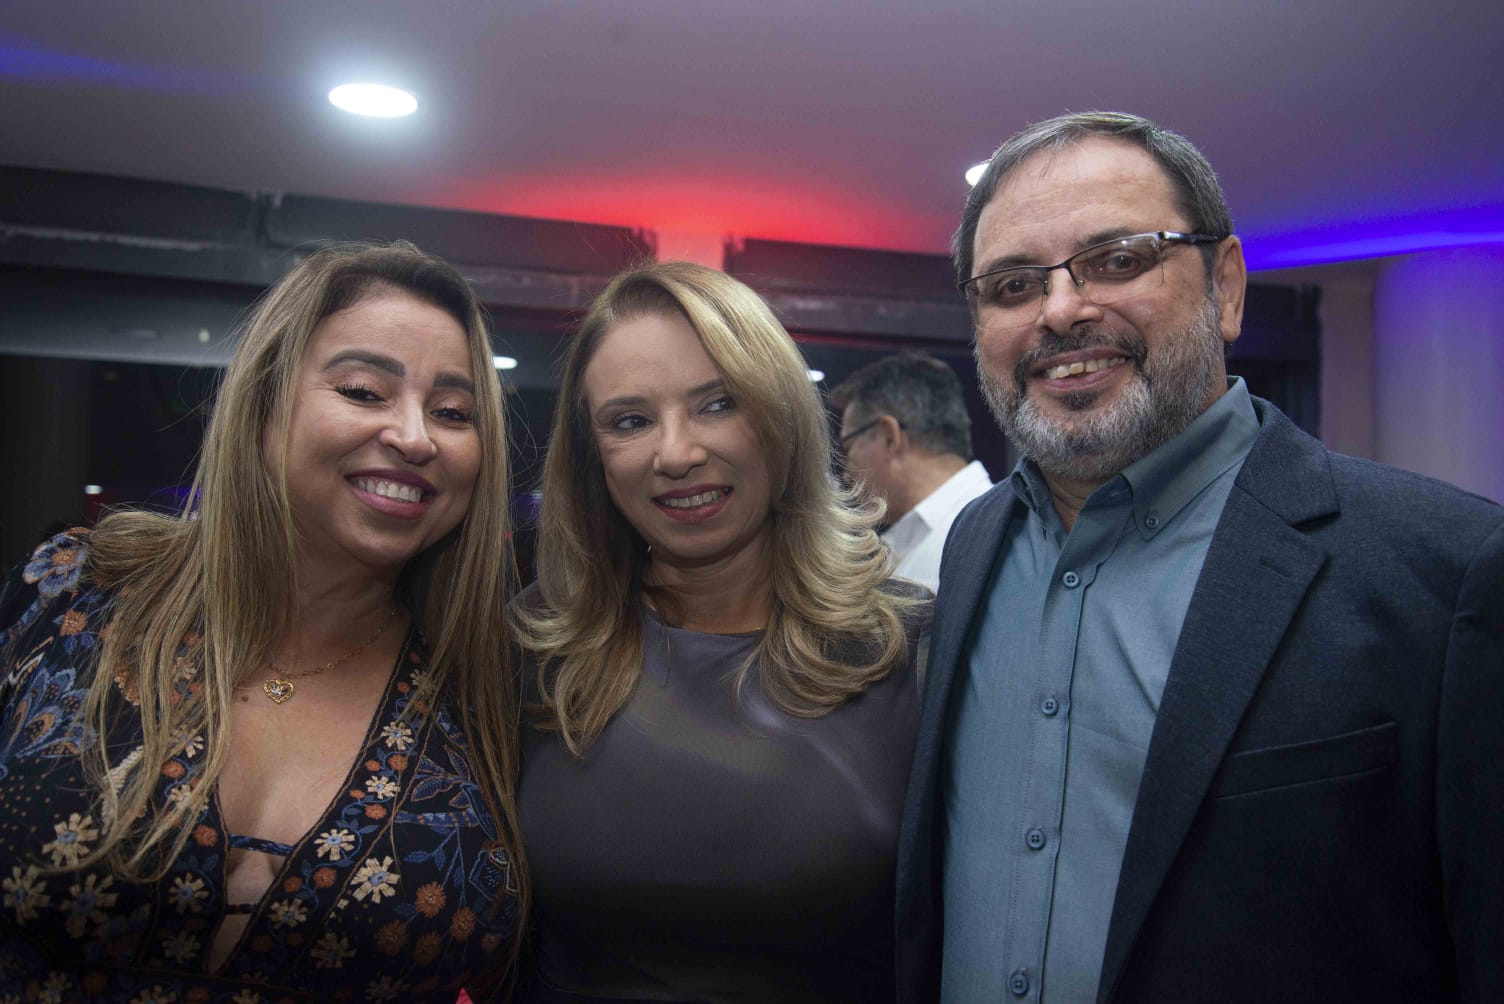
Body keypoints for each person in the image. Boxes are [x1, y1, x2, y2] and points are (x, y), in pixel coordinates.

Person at [896, 111, 1504, 1003]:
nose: (1061, 311)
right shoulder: (976, 543)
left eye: (1117, 260)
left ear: (1226, 286)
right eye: (1014, 285)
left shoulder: (1448, 572)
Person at [0, 242, 528, 1001]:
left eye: (452, 413)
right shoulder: (75, 594)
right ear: (265, 401)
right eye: (363, 391)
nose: (416, 437)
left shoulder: (492, 690)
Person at [513, 261, 931, 1002]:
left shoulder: (911, 646)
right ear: (592, 455)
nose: (676, 453)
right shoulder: (538, 642)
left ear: (780, 416)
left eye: (717, 404)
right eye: (630, 421)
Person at [829, 352, 993, 592]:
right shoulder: (919, 534)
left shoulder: (988, 534)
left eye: (848, 447)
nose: (846, 474)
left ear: (888, 436)